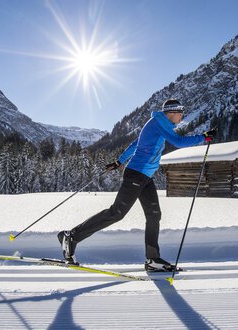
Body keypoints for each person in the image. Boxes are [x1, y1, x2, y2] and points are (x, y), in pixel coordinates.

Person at [58, 99, 216, 271]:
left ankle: (152, 259)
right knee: (116, 213)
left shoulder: (159, 124)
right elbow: (178, 142)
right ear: (172, 112)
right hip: (136, 174)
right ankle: (71, 237)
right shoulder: (159, 122)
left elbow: (136, 143)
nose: (182, 117)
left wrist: (119, 161)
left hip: (145, 177)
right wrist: (203, 137)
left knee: (154, 215)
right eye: (181, 113)